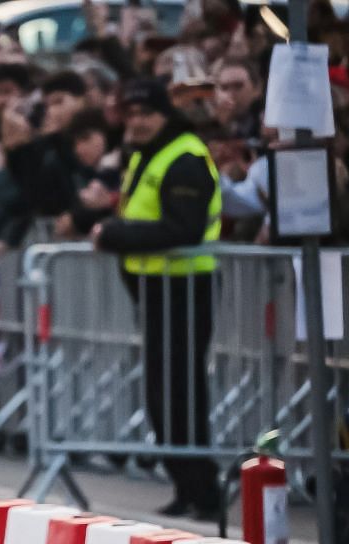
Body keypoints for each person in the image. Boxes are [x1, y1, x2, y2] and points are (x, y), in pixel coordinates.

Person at [92, 78, 223, 521]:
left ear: (165, 114)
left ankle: (204, 492)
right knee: (163, 394)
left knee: (181, 394)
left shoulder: (184, 156)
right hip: (157, 289)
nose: (138, 122)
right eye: (131, 114)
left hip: (184, 288)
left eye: (146, 113)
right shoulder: (148, 153)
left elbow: (182, 229)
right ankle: (186, 487)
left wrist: (114, 236)